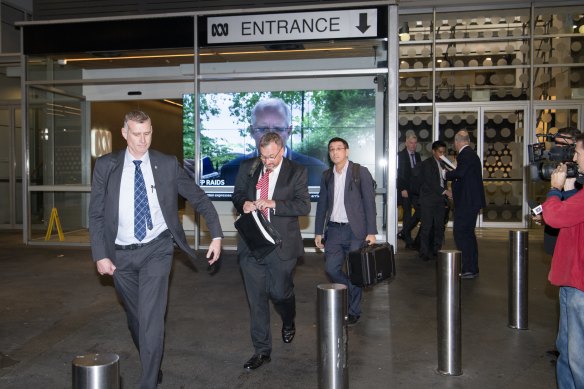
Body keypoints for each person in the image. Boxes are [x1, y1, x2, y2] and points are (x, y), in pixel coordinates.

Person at [88, 110, 223, 389]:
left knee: (151, 318)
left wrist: (217, 235)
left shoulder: (167, 164)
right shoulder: (106, 165)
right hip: (120, 253)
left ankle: (148, 381)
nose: (142, 140)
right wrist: (100, 254)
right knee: (136, 318)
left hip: (157, 249)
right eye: (136, 134)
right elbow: (97, 213)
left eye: (147, 133)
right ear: (125, 133)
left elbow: (198, 197)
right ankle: (152, 359)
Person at [232, 131, 310, 370]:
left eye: (272, 157)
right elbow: (237, 195)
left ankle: (288, 320)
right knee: (256, 300)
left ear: (282, 150)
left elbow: (303, 205)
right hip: (252, 244)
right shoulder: (248, 166)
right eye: (263, 156)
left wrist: (274, 203)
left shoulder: (296, 171)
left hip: (281, 245)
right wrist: (243, 203)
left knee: (279, 293)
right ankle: (262, 351)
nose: (268, 162)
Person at [314, 137, 378, 325]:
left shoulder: (360, 172)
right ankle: (351, 288)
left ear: (347, 151)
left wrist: (371, 232)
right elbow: (322, 206)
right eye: (331, 149)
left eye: (339, 148)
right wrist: (318, 231)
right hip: (334, 230)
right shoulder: (327, 175)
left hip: (356, 231)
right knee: (331, 268)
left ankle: (353, 310)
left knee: (356, 271)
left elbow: (369, 203)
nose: (335, 152)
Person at [541, 133, 584, 388]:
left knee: (578, 356)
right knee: (566, 350)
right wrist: (566, 193)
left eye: (577, 153)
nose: (574, 159)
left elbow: (556, 219)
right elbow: (569, 216)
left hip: (579, 284)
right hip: (570, 280)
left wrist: (555, 190)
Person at [220, 97, 326, 186]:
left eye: (278, 129)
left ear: (289, 132)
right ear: (252, 131)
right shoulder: (231, 171)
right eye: (262, 129)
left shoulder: (317, 170)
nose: (270, 136)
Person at [533, 127, 581, 255]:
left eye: (563, 145)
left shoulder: (580, 175)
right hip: (556, 239)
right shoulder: (557, 170)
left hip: (575, 245)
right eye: (557, 145)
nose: (557, 150)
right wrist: (544, 215)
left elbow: (574, 210)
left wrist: (556, 189)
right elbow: (557, 202)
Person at [444, 130, 486, 279]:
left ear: (457, 142)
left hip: (467, 203)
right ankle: (472, 267)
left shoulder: (465, 154)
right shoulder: (471, 154)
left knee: (461, 233)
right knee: (468, 234)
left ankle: (468, 268)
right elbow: (465, 178)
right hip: (470, 201)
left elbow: (460, 174)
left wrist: (446, 174)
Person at [417, 140, 452, 261]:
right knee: (426, 227)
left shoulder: (443, 164)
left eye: (444, 152)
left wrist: (446, 194)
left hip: (439, 200)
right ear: (433, 151)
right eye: (439, 152)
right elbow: (430, 182)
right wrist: (445, 191)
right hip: (428, 200)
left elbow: (444, 180)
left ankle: (437, 250)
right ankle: (424, 252)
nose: (442, 154)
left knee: (439, 226)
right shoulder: (427, 164)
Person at [397, 132, 422, 249]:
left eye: (415, 143)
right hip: (405, 189)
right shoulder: (400, 155)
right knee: (407, 214)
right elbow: (399, 174)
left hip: (416, 190)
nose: (413, 145)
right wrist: (402, 188)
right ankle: (407, 239)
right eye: (411, 143)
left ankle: (404, 232)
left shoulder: (417, 156)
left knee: (420, 211)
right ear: (406, 143)